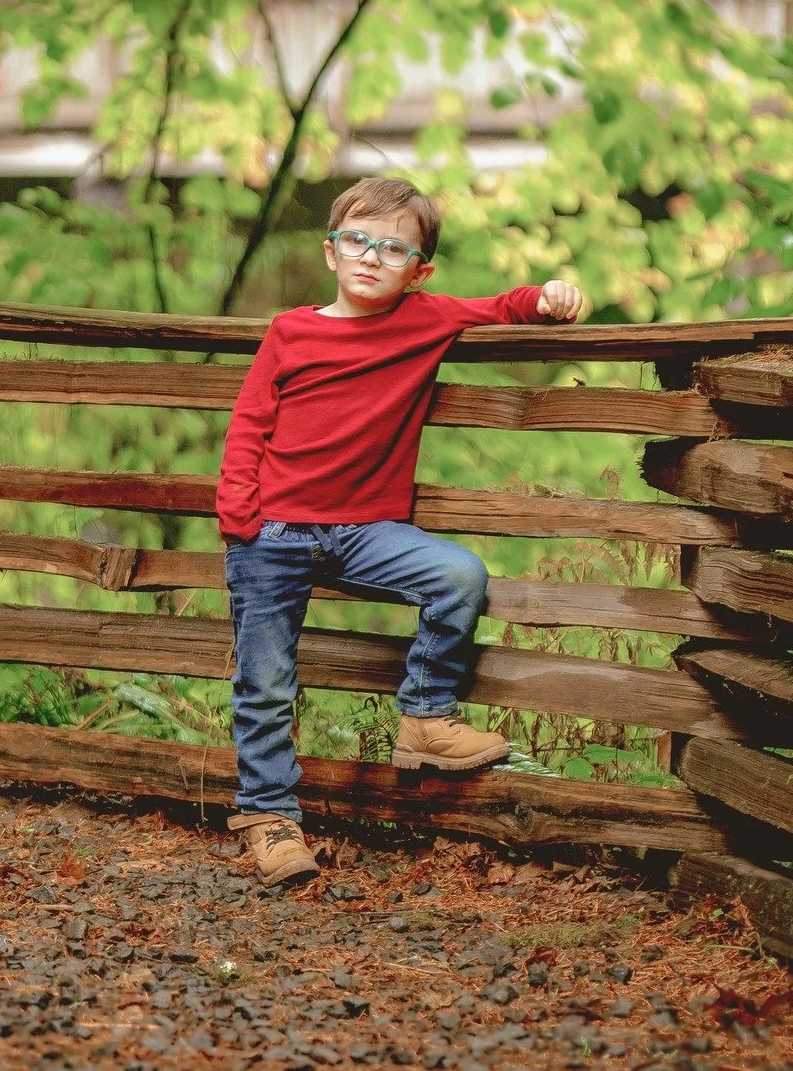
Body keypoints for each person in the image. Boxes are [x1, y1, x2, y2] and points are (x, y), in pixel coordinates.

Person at [216, 176, 586, 884]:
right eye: (357, 240)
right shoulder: (290, 331)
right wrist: (242, 519)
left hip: (363, 530)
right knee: (264, 681)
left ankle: (425, 714)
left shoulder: (425, 318)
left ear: (419, 270)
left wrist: (550, 296)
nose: (371, 257)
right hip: (274, 532)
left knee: (458, 575)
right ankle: (269, 821)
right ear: (331, 250)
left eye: (393, 248)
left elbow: (504, 307)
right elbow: (249, 425)